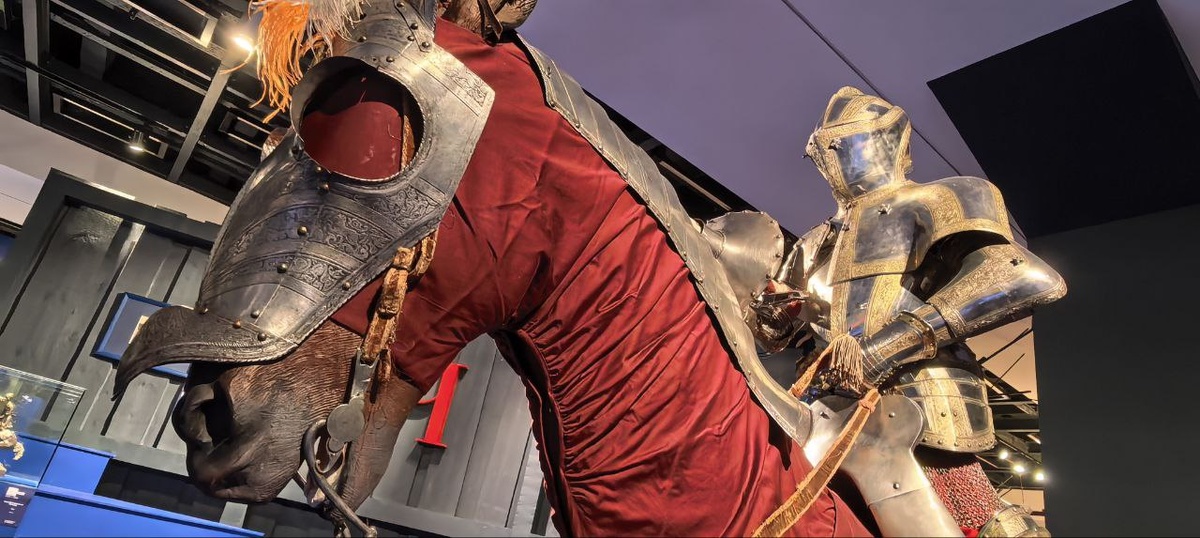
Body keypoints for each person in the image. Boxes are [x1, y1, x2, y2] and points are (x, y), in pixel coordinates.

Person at [750, 87, 1065, 535]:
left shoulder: (941, 198)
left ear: (885, 137)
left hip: (916, 399)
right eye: (823, 149)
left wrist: (885, 347)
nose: (831, 158)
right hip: (818, 413)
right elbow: (782, 335)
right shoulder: (813, 242)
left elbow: (1020, 276)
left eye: (841, 143)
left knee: (974, 520)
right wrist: (774, 314)